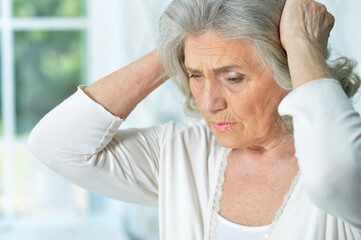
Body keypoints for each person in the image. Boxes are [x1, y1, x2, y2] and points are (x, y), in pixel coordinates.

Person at [28, 0, 361, 239]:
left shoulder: (346, 161)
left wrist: (302, 42)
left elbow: (333, 173)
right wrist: (182, 42)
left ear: (289, 69)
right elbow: (55, 145)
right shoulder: (181, 153)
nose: (208, 102)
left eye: (233, 78)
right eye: (196, 75)